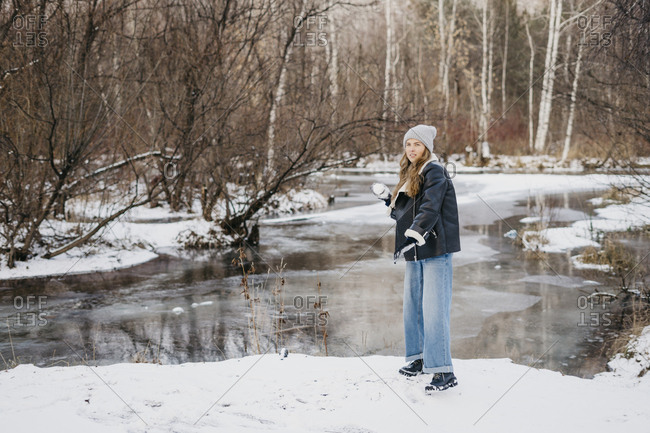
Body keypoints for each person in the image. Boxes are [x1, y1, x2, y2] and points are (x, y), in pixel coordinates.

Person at [371, 124, 461, 393]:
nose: (411, 149)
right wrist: (389, 199)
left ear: (427, 148)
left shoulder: (435, 171)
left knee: (434, 310)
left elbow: (431, 207)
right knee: (413, 307)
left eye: (417, 145)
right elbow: (406, 213)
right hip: (415, 250)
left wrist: (417, 231)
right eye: (408, 144)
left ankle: (444, 371)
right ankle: (419, 358)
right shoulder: (412, 172)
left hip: (435, 249)